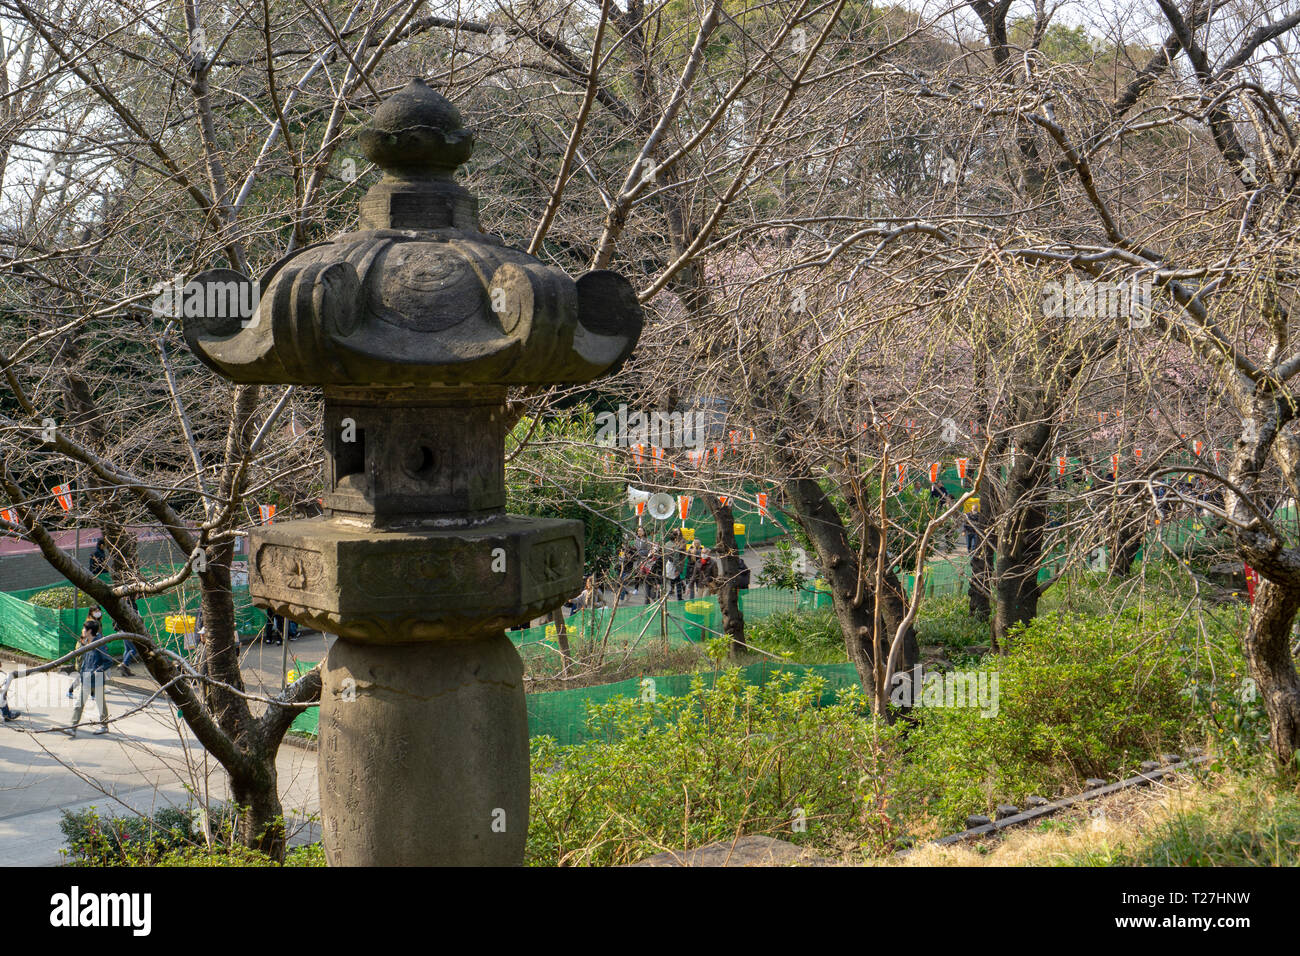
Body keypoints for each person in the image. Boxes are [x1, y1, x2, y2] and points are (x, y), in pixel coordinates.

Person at [66, 608, 114, 738]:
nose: (82, 631)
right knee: (79, 703)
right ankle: (72, 727)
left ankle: (104, 726)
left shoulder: (99, 644)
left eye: (84, 629)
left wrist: (96, 671)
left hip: (96, 678)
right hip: (86, 677)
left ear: (89, 631)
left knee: (100, 703)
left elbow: (108, 661)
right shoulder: (87, 642)